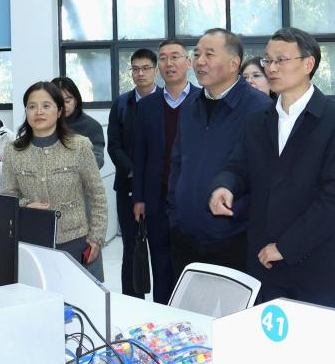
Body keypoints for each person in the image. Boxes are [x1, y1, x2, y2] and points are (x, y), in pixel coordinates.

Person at [209, 28, 335, 309]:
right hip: (263, 264)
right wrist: (224, 186)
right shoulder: (258, 121)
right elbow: (238, 166)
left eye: (281, 60)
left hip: (315, 266)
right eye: (267, 60)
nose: (271, 68)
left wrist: (285, 247)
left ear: (308, 64)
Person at [168, 29, 272, 279]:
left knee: (231, 305)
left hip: (234, 240)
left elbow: (266, 178)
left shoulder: (260, 109)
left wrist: (236, 213)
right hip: (185, 237)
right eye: (197, 54)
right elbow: (178, 162)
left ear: (234, 63)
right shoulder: (190, 106)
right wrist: (174, 214)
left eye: (209, 54)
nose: (199, 62)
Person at [2, 82, 107, 280]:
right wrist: (26, 205)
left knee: (78, 296)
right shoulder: (13, 150)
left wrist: (96, 237)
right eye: (32, 106)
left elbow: (97, 194)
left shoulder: (79, 146)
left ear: (59, 111)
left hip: (76, 241)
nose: (38, 111)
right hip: (32, 241)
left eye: (46, 105)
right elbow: (8, 197)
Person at [131, 39, 197, 303]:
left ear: (188, 63)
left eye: (175, 56)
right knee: (160, 262)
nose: (169, 63)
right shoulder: (147, 106)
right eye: (163, 58)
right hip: (156, 198)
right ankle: (162, 312)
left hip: (192, 198)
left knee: (190, 264)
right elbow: (140, 155)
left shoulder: (202, 100)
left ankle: (189, 314)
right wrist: (139, 197)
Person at [107, 49, 160, 297]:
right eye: (135, 69)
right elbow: (114, 145)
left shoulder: (165, 101)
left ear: (155, 70)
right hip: (127, 186)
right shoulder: (121, 104)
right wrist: (134, 172)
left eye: (146, 68)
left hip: (160, 188)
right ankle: (132, 300)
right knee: (131, 246)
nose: (140, 73)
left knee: (160, 247)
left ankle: (164, 300)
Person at [52, 76, 105, 169]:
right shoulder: (43, 124)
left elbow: (98, 161)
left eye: (67, 101)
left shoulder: (92, 126)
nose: (64, 106)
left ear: (76, 100)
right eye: (58, 102)